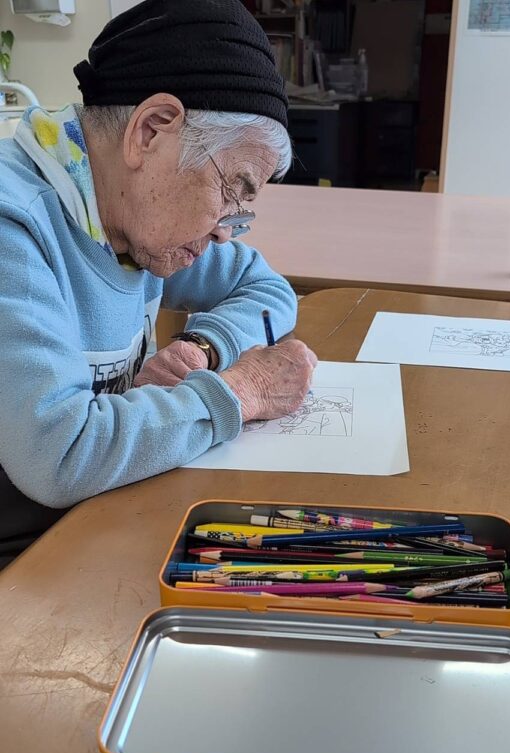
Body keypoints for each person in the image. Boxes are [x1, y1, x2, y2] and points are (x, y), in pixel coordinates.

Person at [0, 0, 317, 568]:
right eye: (232, 189)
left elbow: (266, 287)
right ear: (150, 131)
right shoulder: (15, 228)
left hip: (91, 524)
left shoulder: (128, 218)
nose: (226, 231)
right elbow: (58, 454)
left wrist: (204, 347)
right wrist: (240, 392)